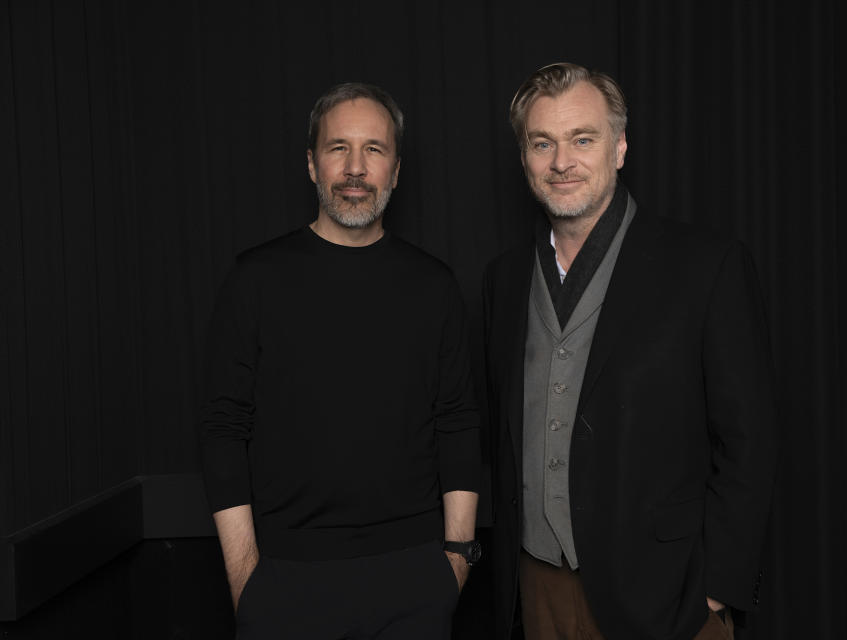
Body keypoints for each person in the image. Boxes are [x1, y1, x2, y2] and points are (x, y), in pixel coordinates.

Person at [483, 63, 778, 639]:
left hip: (668, 594)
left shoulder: (706, 266)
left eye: (582, 139)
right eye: (542, 143)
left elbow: (751, 441)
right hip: (536, 586)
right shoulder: (504, 278)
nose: (561, 161)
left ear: (619, 147)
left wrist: (718, 587)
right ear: (524, 157)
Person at [199, 82, 482, 639]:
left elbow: (458, 422)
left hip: (416, 580)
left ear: (397, 170)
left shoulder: (434, 286)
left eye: (374, 150)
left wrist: (456, 561)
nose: (356, 168)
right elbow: (222, 427)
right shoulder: (255, 280)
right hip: (283, 580)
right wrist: (245, 581)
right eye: (338, 148)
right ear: (311, 164)